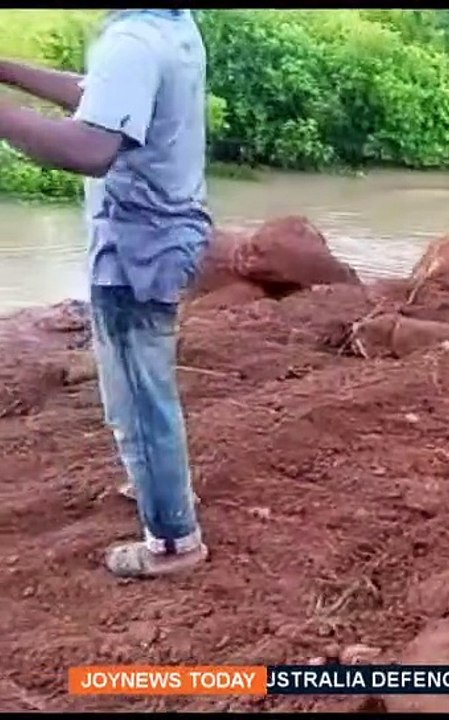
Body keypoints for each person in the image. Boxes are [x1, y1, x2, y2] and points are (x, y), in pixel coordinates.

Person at [0, 9, 210, 577]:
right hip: (165, 236)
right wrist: (6, 71)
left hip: (135, 249)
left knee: (139, 398)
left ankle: (173, 540)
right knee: (142, 391)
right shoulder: (167, 25)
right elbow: (97, 93)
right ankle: (162, 485)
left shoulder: (134, 40)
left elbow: (90, 148)